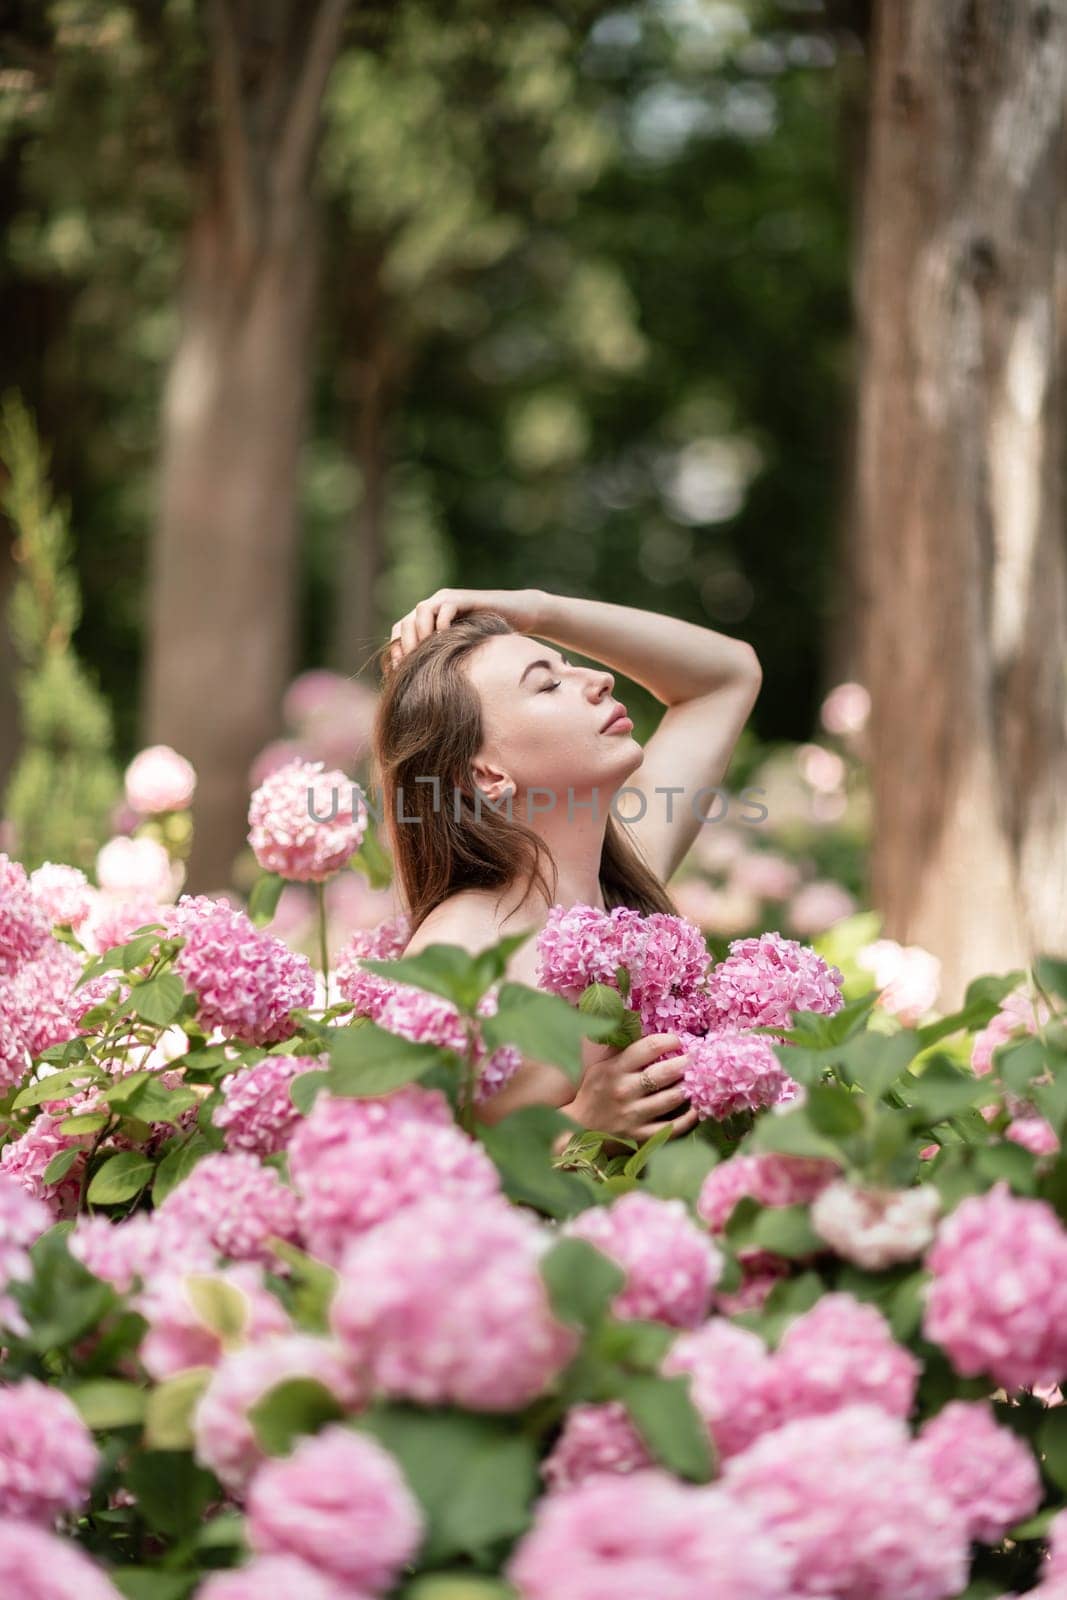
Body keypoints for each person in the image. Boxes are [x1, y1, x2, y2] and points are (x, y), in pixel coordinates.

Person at [373, 587, 762, 1143]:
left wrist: (537, 611)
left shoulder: (623, 870)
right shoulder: (460, 950)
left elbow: (727, 675)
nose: (597, 680)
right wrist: (577, 1129)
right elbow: (387, 1169)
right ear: (485, 776)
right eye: (549, 683)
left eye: (568, 667)